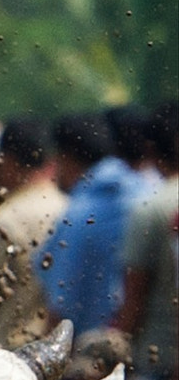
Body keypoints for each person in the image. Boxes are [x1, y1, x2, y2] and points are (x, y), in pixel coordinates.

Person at [35, 112, 141, 338]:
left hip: (88, 352)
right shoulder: (143, 192)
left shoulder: (80, 213)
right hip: (141, 348)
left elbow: (61, 302)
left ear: (66, 157)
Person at [0, 114, 65, 345]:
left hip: (4, 352)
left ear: (8, 160)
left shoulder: (6, 218)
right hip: (50, 352)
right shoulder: (69, 209)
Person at [115, 99, 179, 380]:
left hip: (159, 366)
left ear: (151, 149)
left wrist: (109, 360)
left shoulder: (152, 209)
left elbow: (134, 302)